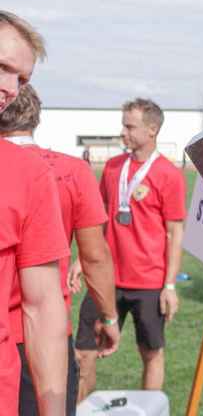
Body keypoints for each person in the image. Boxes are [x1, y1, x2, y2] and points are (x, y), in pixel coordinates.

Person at [0, 86, 121, 413]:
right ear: (36, 117)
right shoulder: (71, 170)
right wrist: (108, 316)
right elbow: (95, 255)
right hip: (46, 327)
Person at [75, 98, 186, 395]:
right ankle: (79, 409)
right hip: (105, 278)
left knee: (151, 353)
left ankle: (150, 410)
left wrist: (170, 285)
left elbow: (175, 233)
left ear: (152, 130)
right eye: (123, 125)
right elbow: (97, 219)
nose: (123, 132)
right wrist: (81, 260)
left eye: (129, 126)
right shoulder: (113, 168)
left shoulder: (169, 174)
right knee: (84, 352)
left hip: (148, 283)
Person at [0, 11, 70, 415]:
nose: (11, 89)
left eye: (22, 79)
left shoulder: (27, 174)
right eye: (2, 67)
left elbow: (42, 306)